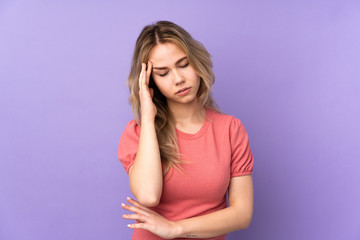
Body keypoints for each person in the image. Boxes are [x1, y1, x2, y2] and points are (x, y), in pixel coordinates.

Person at [117, 20, 254, 240]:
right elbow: (148, 196)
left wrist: (175, 228)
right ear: (150, 83)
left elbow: (242, 214)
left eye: (183, 64)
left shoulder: (230, 129)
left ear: (197, 62)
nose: (179, 79)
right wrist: (149, 119)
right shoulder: (138, 133)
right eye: (163, 73)